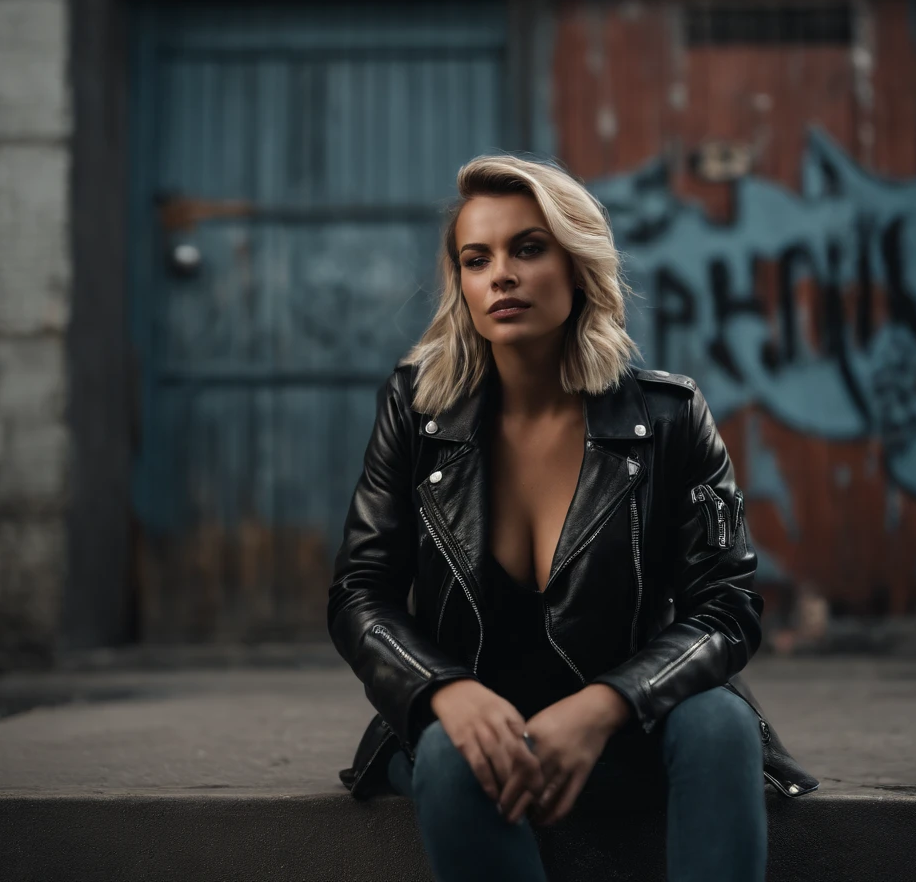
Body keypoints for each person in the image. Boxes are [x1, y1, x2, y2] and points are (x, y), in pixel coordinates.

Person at [327, 154, 817, 882]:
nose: (502, 274)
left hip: (626, 730)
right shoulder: (418, 410)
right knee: (449, 750)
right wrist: (443, 689)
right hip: (472, 732)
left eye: (529, 248)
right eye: (476, 258)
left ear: (578, 263)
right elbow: (360, 590)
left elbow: (728, 606)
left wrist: (606, 705)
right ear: (460, 283)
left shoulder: (668, 416)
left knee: (719, 722)